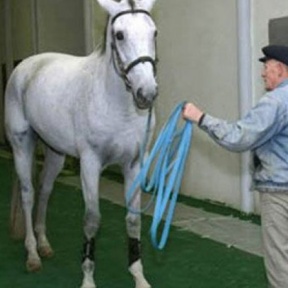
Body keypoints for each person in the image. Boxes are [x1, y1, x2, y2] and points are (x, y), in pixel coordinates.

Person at [182, 44, 288, 288]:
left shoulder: (275, 102)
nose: (263, 73)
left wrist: (200, 117)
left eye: (266, 67)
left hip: (279, 193)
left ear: (280, 69)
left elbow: (238, 137)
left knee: (280, 264)